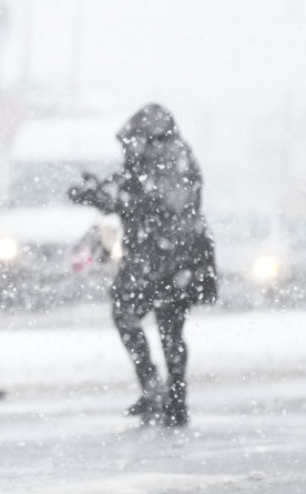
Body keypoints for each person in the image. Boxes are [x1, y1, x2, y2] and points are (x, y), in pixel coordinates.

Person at [68, 103, 217, 428]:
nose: (129, 149)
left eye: (133, 142)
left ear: (148, 137)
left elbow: (161, 202)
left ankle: (166, 394)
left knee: (155, 322)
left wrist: (107, 199)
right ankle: (164, 393)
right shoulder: (158, 157)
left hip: (168, 257)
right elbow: (133, 194)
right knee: (160, 324)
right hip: (160, 257)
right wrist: (99, 192)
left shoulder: (172, 157)